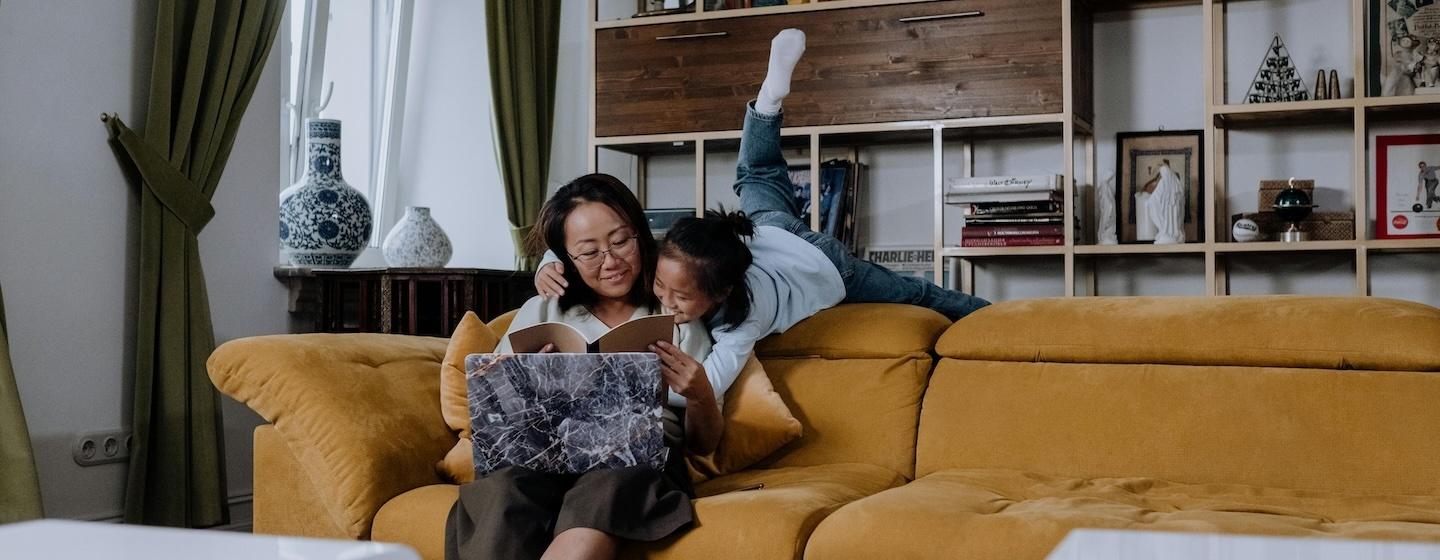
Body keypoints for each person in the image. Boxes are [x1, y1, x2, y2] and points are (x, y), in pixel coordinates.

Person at [537, 28, 990, 416]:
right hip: (768, 229)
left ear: (721, 295)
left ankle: (995, 317)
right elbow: (591, 241)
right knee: (756, 173)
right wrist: (548, 263)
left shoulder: (741, 321)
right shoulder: (673, 259)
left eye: (680, 298)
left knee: (919, 293)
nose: (666, 302)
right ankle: (768, 101)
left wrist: (632, 389)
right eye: (661, 289)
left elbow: (710, 388)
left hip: (827, 266)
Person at [446, 174, 722, 560]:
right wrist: (523, 387)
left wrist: (700, 394)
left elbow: (704, 443)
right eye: (590, 253)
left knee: (608, 484)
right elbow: (495, 422)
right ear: (566, 260)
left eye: (621, 241)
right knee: (501, 490)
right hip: (545, 456)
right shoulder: (541, 312)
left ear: (640, 235)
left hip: (635, 460)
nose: (611, 262)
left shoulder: (676, 314)